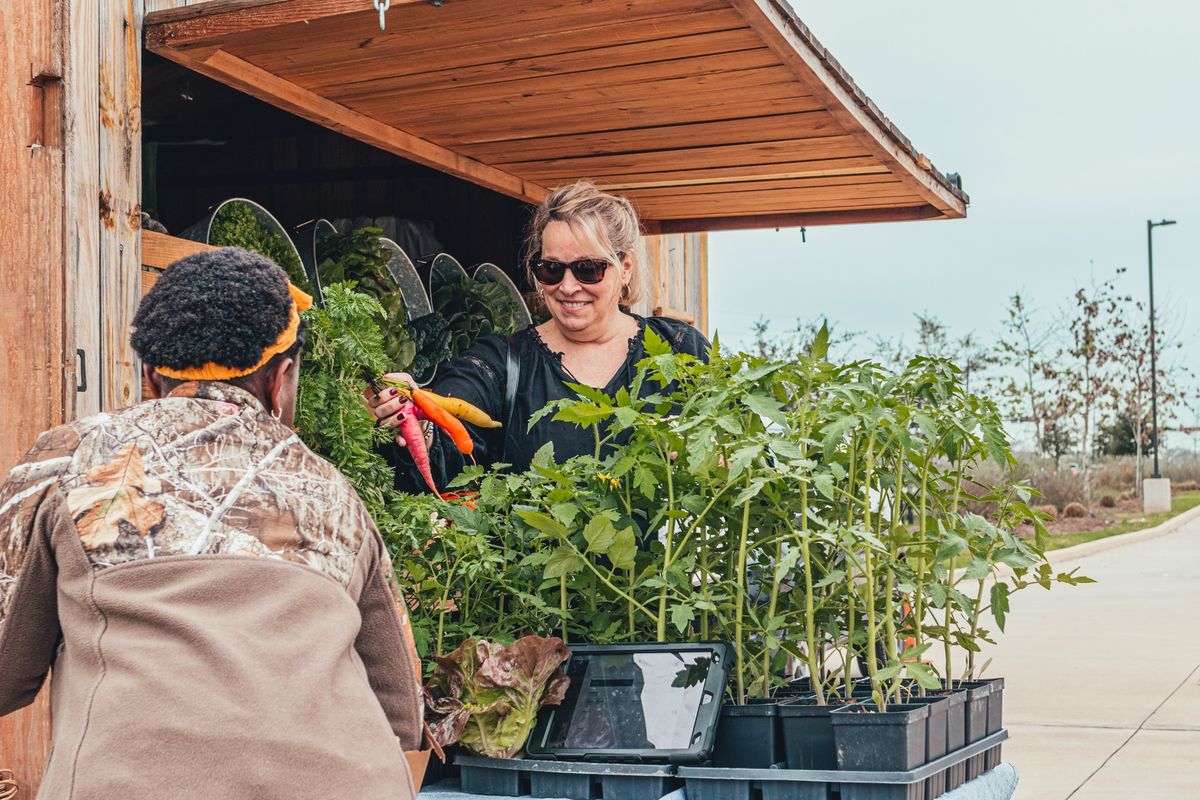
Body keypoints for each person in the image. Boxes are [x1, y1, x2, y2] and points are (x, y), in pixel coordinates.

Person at [0, 248, 423, 799]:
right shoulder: (330, 491)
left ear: (151, 376)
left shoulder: (74, 459)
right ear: (281, 380)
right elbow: (402, 706)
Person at [371, 181, 709, 492]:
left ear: (626, 268)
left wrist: (706, 450)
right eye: (551, 269)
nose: (567, 286)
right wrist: (415, 415)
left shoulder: (681, 351)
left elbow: (747, 460)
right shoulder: (503, 363)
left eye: (588, 269)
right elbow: (451, 449)